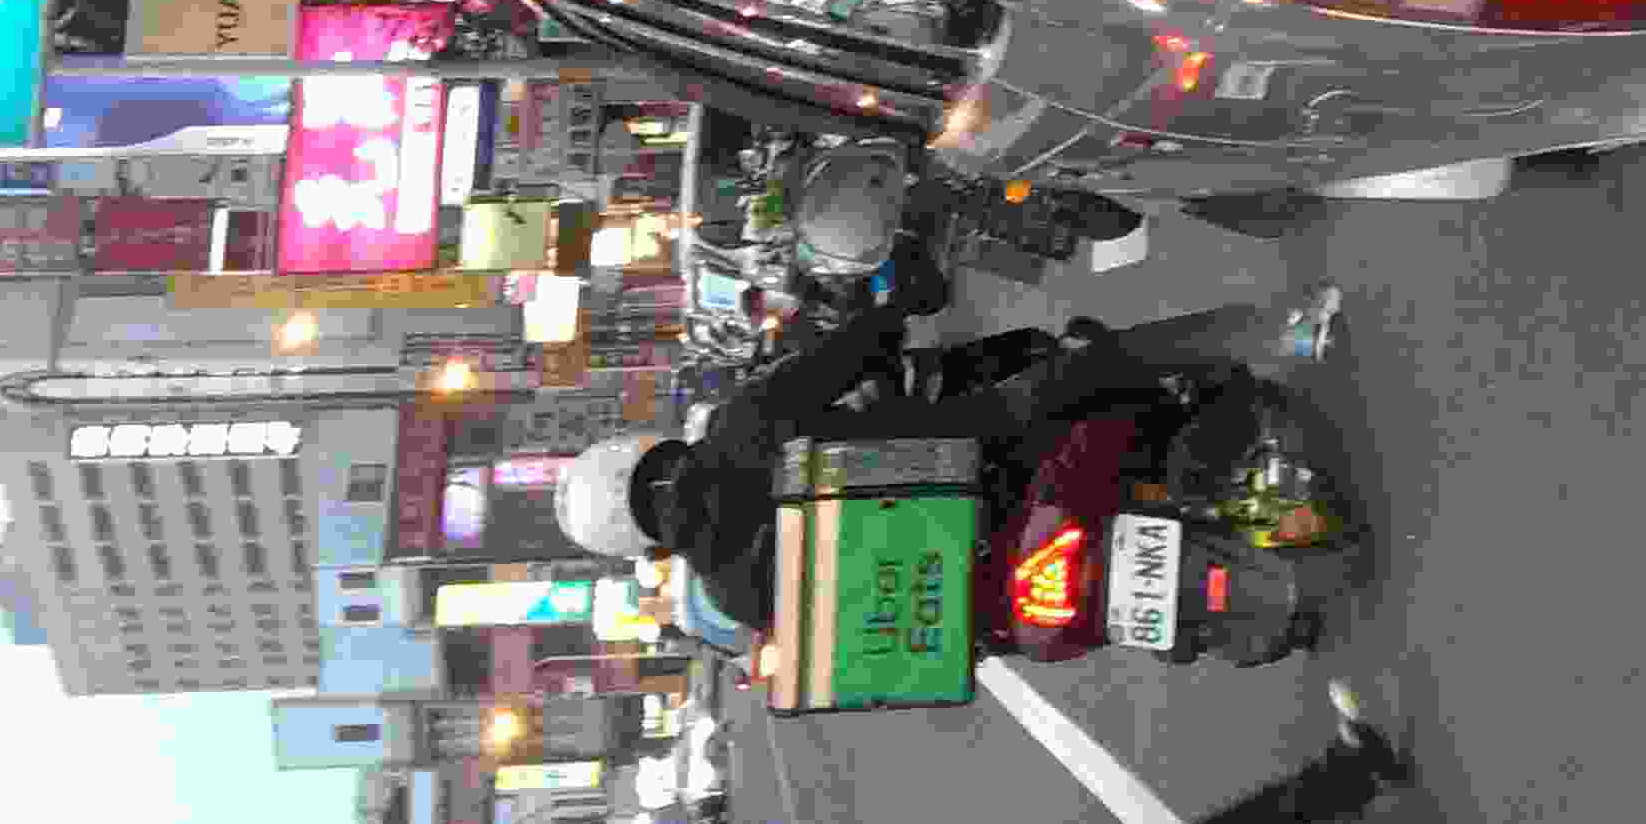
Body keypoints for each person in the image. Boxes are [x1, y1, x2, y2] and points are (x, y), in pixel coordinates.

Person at [558, 285, 1345, 636]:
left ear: (648, 546)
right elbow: (845, 355)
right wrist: (894, 306)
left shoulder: (732, 598)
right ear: (651, 452)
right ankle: (1287, 329)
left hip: (989, 593)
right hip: (990, 449)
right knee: (1098, 362)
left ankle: (1234, 563)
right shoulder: (739, 425)